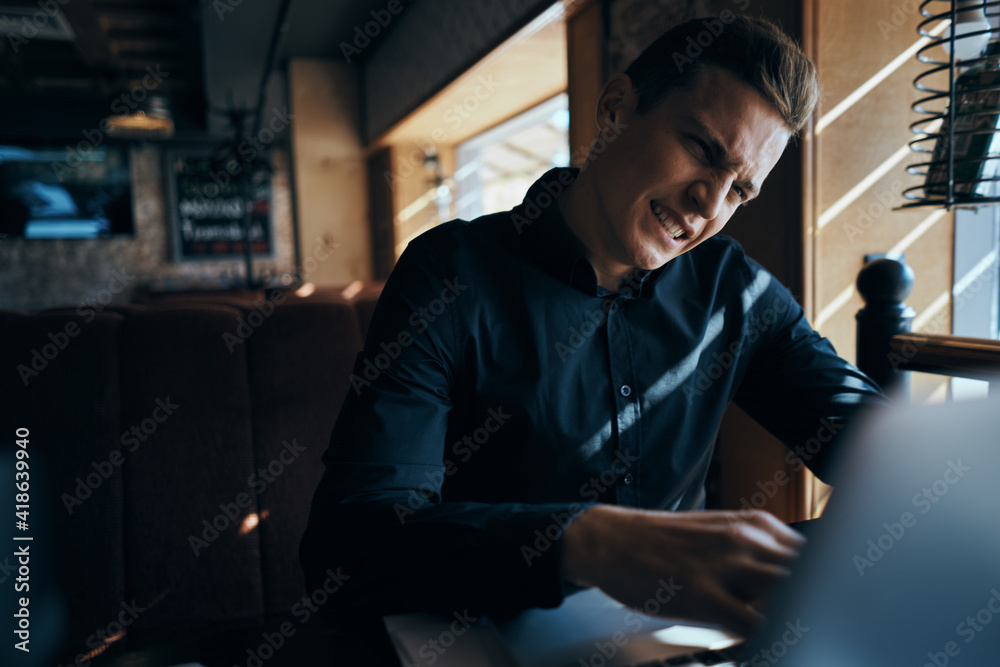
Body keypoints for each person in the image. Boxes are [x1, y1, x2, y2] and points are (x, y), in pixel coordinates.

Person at [300, 15, 888, 636]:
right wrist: (586, 541)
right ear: (616, 108)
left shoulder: (735, 291)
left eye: (740, 189)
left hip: (673, 641)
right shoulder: (450, 275)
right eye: (703, 150)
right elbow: (349, 548)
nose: (709, 206)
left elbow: (880, 450)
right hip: (482, 639)